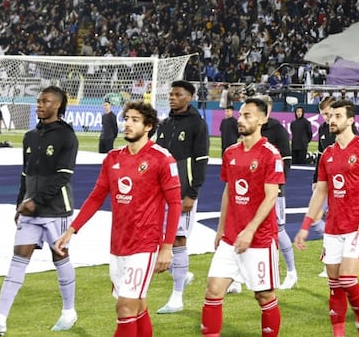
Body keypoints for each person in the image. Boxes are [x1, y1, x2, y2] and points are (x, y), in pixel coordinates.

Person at [55, 100, 181, 337]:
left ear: (148, 126)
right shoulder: (113, 158)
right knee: (138, 304)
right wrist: (72, 230)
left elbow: (174, 204)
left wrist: (167, 247)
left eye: (135, 120)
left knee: (124, 307)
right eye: (127, 119)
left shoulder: (162, 158)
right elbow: (95, 197)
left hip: (145, 245)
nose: (128, 124)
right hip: (118, 244)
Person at [0, 87, 80, 334]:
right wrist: (20, 203)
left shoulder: (67, 136)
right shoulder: (30, 136)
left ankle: (68, 311)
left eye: (45, 101)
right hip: (30, 213)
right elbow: (25, 174)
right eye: (38, 101)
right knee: (18, 260)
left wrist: (36, 201)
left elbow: (64, 177)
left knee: (60, 257)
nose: (39, 105)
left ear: (58, 105)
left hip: (56, 210)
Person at [294, 99, 359, 337]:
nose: (331, 120)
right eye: (330, 116)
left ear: (350, 120)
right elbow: (320, 192)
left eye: (337, 116)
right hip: (333, 228)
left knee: (348, 279)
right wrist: (306, 226)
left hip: (358, 227)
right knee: (334, 285)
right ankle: (338, 333)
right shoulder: (327, 154)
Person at [200, 97, 284, 337]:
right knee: (213, 290)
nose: (241, 119)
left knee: (264, 295)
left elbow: (271, 197)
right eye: (241, 114)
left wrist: (250, 230)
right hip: (230, 238)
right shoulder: (230, 153)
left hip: (259, 239)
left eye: (247, 115)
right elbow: (229, 191)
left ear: (262, 119)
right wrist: (220, 228)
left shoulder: (270, 154)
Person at [154, 80, 210, 314]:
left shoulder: (198, 124)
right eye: (171, 94)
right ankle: (182, 272)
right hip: (159, 194)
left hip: (182, 194)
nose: (172, 97)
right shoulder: (165, 123)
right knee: (159, 238)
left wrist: (192, 194)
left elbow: (201, 161)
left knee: (177, 240)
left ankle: (177, 298)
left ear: (189, 97)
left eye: (177, 94)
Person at [257, 96, 299, 290]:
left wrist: (280, 185)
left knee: (279, 229)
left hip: (274, 188)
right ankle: (240, 276)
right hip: (253, 191)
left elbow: (287, 159)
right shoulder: (252, 130)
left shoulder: (278, 130)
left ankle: (291, 272)